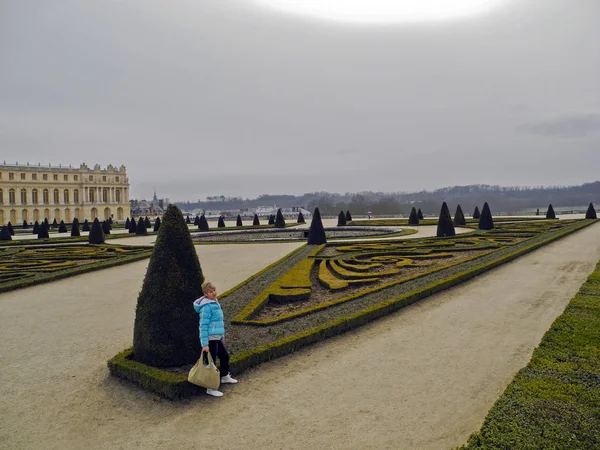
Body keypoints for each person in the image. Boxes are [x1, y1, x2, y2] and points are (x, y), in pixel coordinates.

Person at [193, 281, 238, 397]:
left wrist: (221, 336)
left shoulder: (214, 302)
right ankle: (210, 388)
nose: (213, 293)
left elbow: (218, 323)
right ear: (205, 294)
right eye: (210, 291)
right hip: (210, 339)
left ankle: (224, 376)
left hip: (216, 337)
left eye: (214, 290)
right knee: (211, 363)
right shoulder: (206, 307)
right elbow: (203, 326)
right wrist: (205, 344)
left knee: (224, 356)